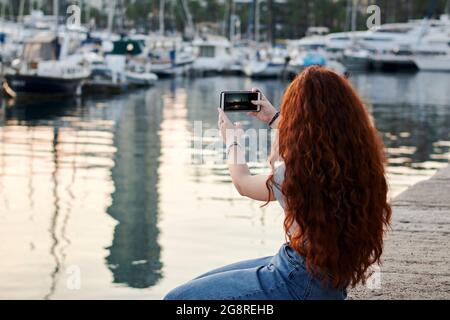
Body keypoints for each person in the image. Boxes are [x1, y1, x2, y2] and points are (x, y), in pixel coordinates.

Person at [164, 66, 392, 300]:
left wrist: (232, 142)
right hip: (328, 281)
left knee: (178, 299)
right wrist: (273, 118)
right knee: (198, 284)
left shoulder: (294, 175)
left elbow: (243, 183)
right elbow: (320, 138)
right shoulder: (363, 166)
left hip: (298, 280)